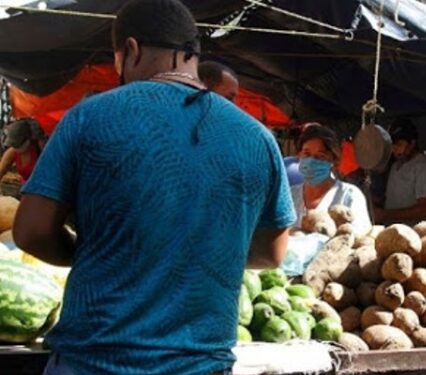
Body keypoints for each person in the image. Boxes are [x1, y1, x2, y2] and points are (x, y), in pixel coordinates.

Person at [13, 1, 296, 374]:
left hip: (94, 362)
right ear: (193, 52)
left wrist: (89, 250)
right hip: (201, 365)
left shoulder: (89, 117)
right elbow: (272, 253)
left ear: (130, 49)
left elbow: (31, 232)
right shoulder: (257, 138)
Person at [291, 124, 371, 236]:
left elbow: (358, 235)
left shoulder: (349, 195)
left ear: (334, 161)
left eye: (320, 156)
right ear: (299, 156)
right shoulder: (289, 196)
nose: (311, 161)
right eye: (307, 154)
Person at [375, 119, 426, 225]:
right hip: (391, 230)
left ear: (412, 143)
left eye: (399, 144)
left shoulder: (421, 166)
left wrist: (386, 214)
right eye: (392, 145)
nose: (395, 149)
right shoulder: (395, 165)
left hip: (412, 233)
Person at [0, 118, 46, 184]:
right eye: (14, 145)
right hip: (25, 189)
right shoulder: (12, 152)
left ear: (28, 139)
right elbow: (1, 170)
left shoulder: (40, 148)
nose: (16, 147)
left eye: (19, 144)